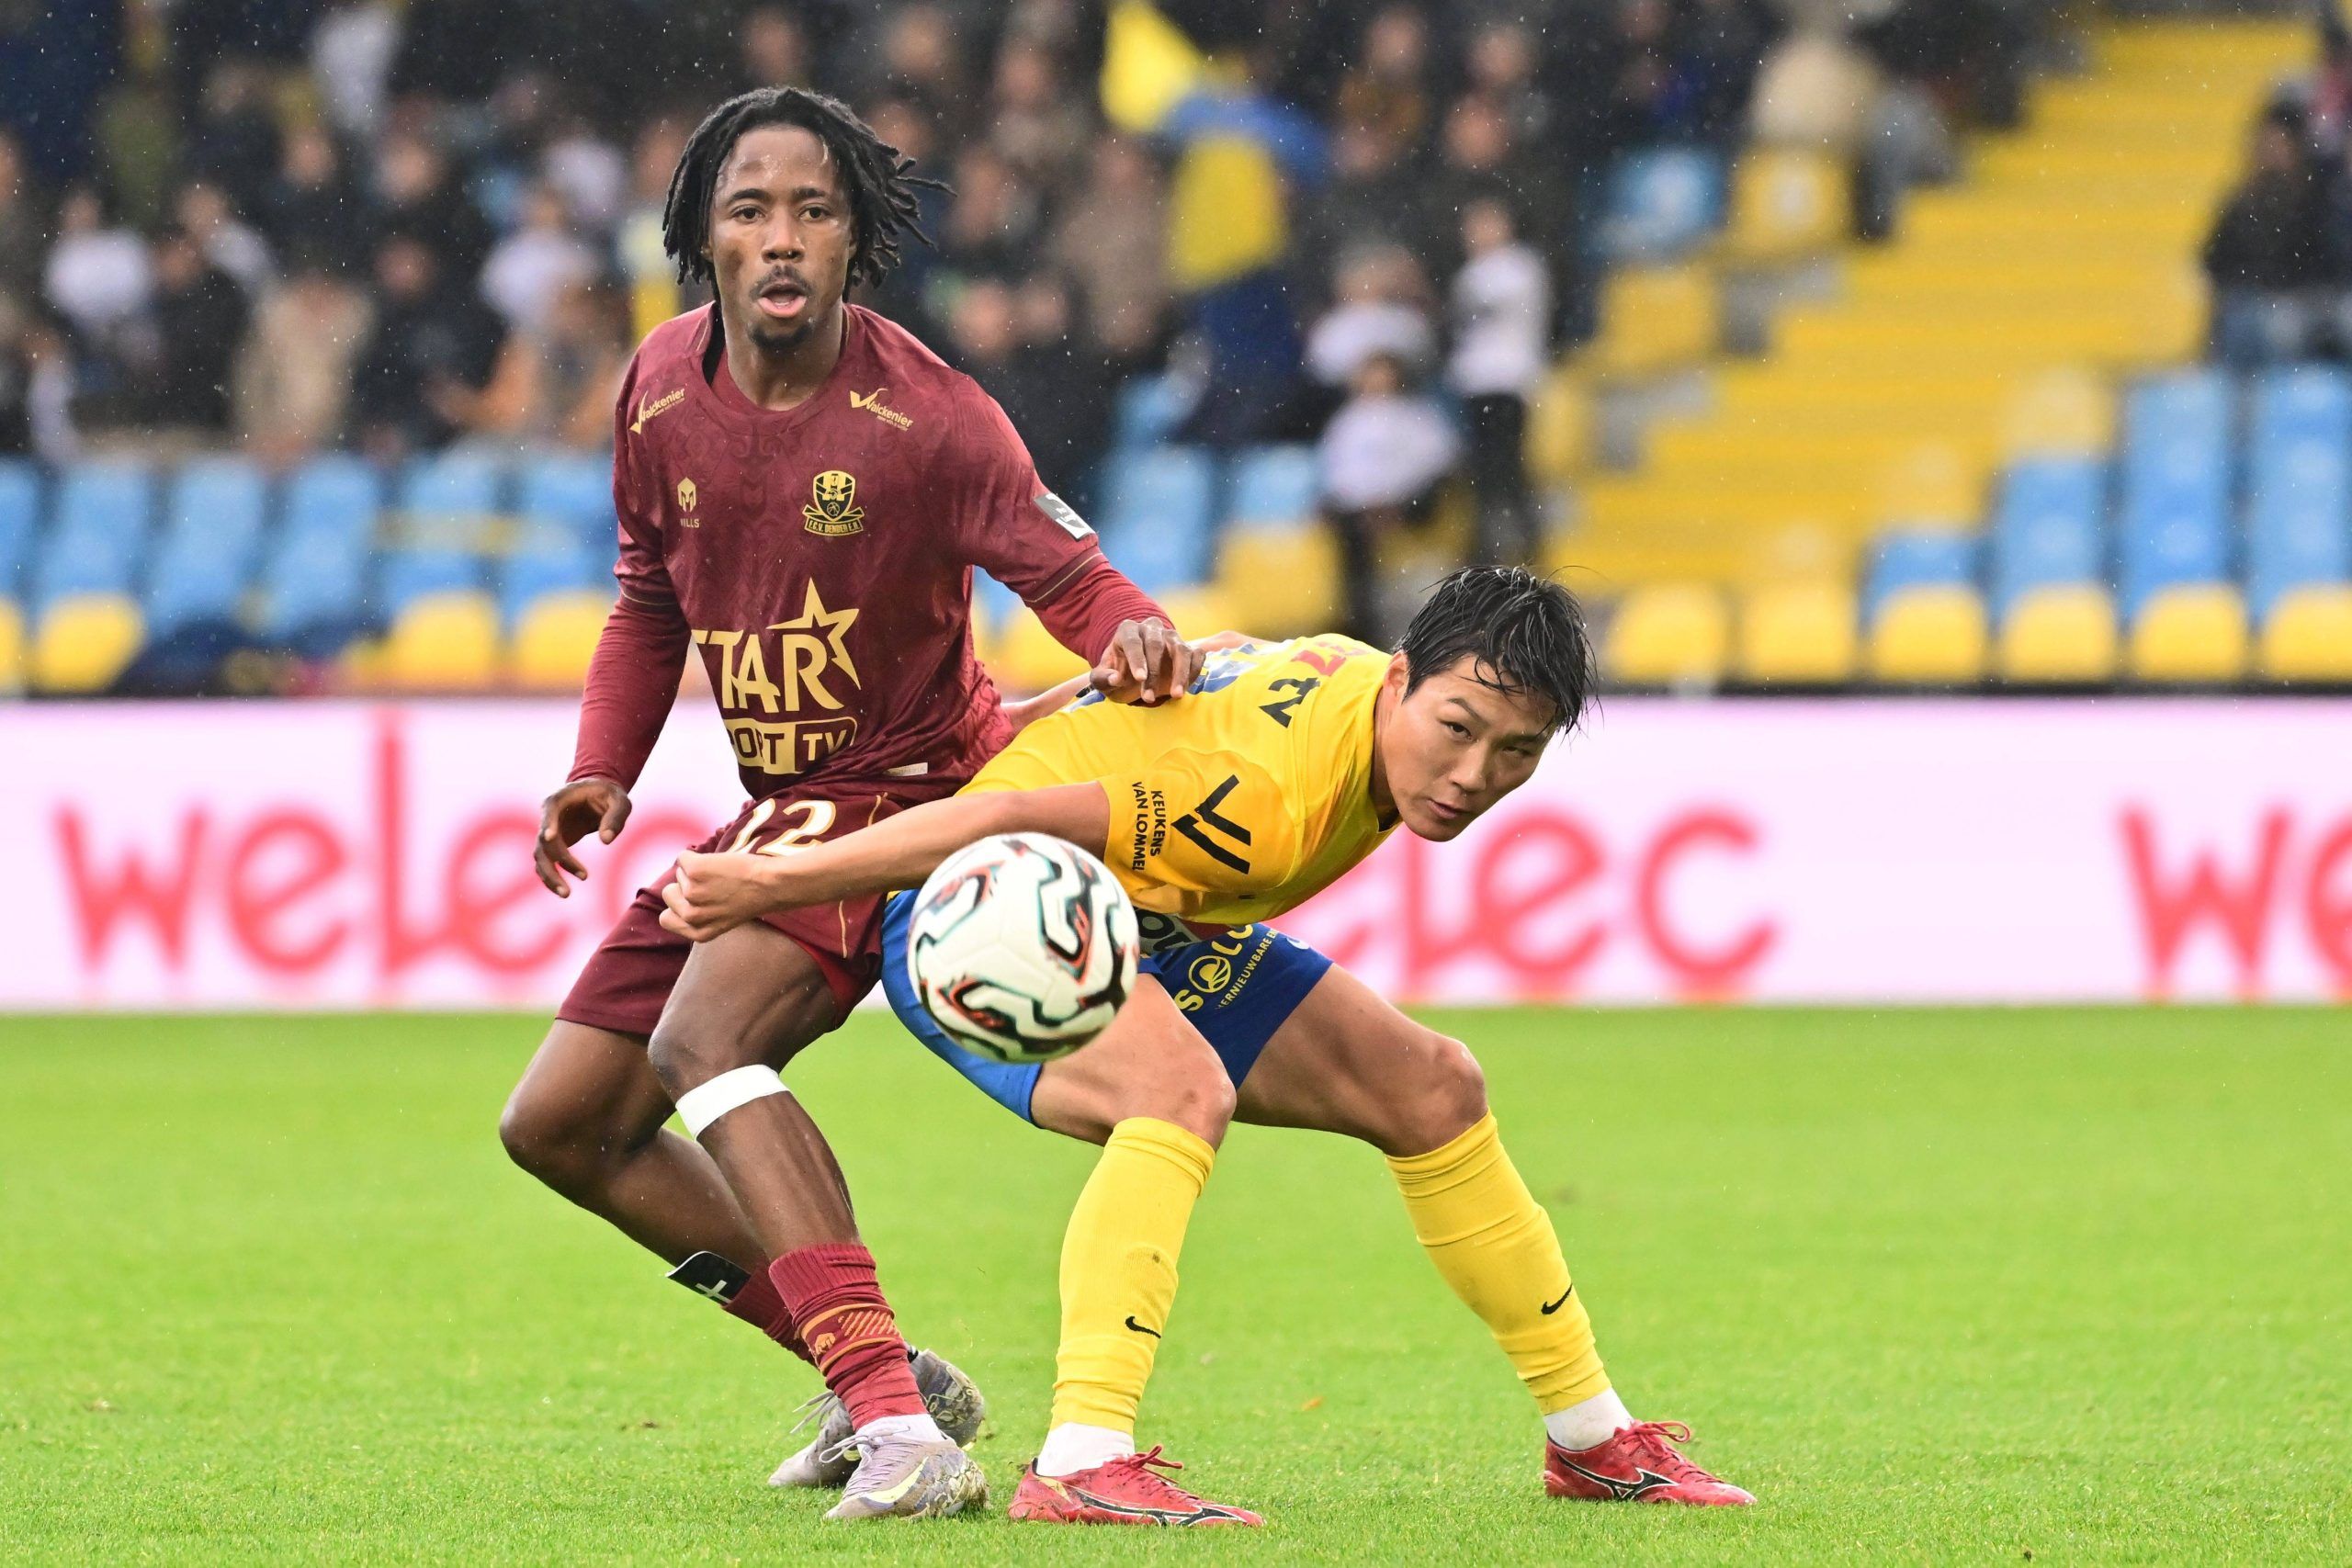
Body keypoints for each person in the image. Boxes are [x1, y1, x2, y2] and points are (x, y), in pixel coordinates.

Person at [661, 568, 1756, 1526]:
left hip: (1147, 915)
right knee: (1177, 1090)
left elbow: (1230, 656)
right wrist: (767, 882)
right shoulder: (1264, 801)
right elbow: (1003, 824)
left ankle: (1592, 1441)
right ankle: (1086, 1457)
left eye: (1514, 751)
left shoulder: (1348, 672)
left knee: (1433, 1090)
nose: (1472, 774)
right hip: (984, 914)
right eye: (1456, 728)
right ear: (1402, 678)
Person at [492, 86, 1203, 1524]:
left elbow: (1067, 565)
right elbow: (648, 595)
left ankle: (899, 1428)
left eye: (814, 210)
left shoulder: (927, 413)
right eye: (749, 209)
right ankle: (873, 1367)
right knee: (561, 1122)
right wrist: (603, 769)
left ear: (858, 237)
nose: (780, 238)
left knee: (702, 1036)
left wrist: (1130, 631)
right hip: (777, 807)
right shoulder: (657, 386)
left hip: (911, 791)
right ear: (700, 231)